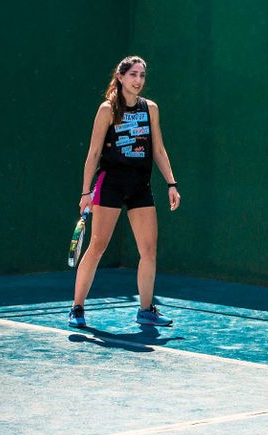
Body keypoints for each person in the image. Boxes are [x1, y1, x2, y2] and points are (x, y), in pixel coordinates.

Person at [68, 56, 181, 328]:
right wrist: (86, 193)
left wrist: (172, 183)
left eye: (142, 75)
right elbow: (94, 153)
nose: (138, 80)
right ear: (120, 77)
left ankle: (146, 309)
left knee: (149, 250)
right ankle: (77, 307)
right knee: (97, 247)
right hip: (111, 185)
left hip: (140, 186)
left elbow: (159, 149)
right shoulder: (107, 109)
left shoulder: (150, 109)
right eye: (133, 74)